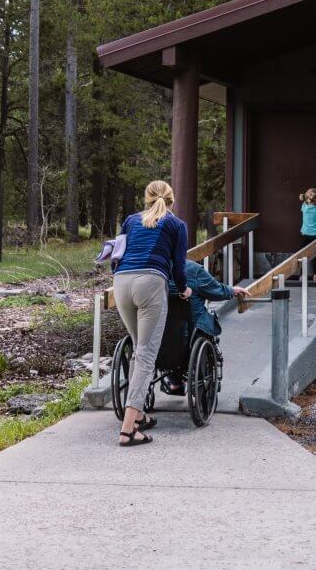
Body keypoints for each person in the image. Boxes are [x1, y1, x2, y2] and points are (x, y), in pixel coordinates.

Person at [112, 179, 190, 447]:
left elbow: (118, 255)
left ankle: (138, 415)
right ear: (172, 199)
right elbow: (178, 266)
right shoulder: (176, 225)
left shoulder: (131, 220)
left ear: (146, 198)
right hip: (151, 281)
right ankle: (127, 430)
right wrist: (183, 290)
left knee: (138, 349)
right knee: (146, 355)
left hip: (121, 282)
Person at [159, 259, 249, 396]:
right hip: (188, 337)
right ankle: (201, 376)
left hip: (158, 341)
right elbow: (216, 291)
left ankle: (175, 383)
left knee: (168, 328)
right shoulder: (193, 269)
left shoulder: (153, 271)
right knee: (204, 323)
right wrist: (231, 291)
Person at [299, 187, 316, 282]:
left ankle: (302, 275)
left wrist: (305, 198)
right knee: (315, 255)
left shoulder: (304, 208)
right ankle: (315, 275)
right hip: (315, 235)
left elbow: (303, 200)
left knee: (303, 255)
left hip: (305, 234)